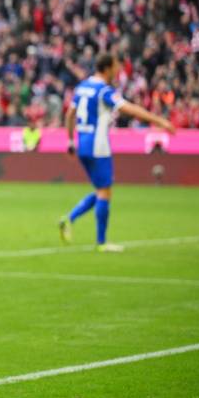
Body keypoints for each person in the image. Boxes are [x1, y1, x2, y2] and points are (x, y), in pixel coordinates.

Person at [59, 54, 175, 251]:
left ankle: (69, 219)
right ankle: (101, 243)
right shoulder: (104, 90)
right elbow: (129, 109)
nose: (118, 70)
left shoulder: (83, 87)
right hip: (99, 147)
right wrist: (160, 121)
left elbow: (70, 114)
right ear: (106, 68)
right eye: (115, 67)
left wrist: (70, 141)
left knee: (101, 190)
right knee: (105, 192)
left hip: (82, 145)